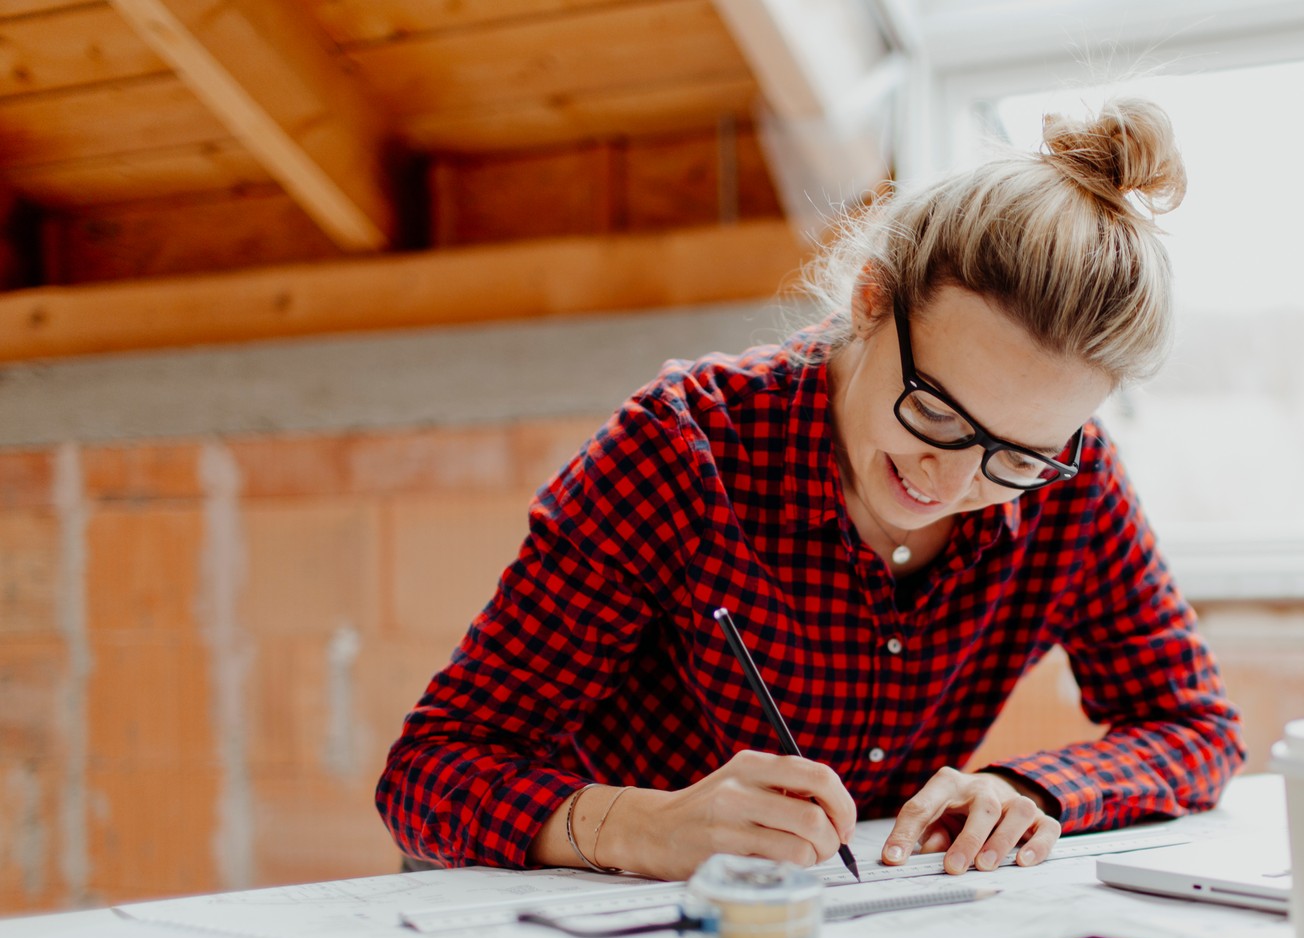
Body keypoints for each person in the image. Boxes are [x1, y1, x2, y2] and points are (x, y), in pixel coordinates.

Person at [375, 98, 1245, 880]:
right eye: (935, 412)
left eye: (1018, 456)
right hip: (574, 911)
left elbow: (1197, 730)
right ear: (872, 300)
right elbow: (430, 770)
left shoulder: (1074, 482)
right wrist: (643, 826)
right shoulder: (684, 449)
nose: (954, 482)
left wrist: (1035, 790)